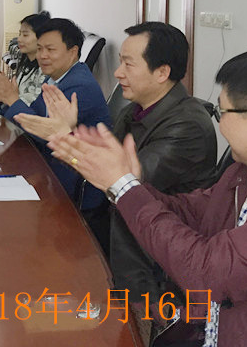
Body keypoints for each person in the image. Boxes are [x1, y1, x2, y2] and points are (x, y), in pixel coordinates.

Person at [49, 47, 247, 347]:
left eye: (223, 111)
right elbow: (191, 211)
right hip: (216, 340)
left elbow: (206, 272)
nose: (220, 123)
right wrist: (130, 183)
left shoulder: (187, 124)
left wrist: (124, 186)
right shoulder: (242, 173)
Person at [18, 22, 219, 329]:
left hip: (152, 271)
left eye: (128, 64)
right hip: (118, 240)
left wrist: (67, 137)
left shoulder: (187, 126)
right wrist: (70, 133)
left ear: (162, 72)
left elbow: (123, 183)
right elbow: (104, 164)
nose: (117, 72)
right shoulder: (136, 110)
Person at [0, 18, 111, 243]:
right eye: (39, 49)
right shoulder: (58, 78)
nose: (42, 56)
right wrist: (4, 100)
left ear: (73, 51)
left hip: (74, 187)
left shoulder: (79, 85)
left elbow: (42, 131)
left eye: (50, 49)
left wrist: (12, 99)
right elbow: (36, 118)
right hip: (51, 170)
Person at [0, 11, 50, 106]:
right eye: (20, 34)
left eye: (25, 35)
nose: (19, 39)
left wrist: (8, 96)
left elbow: (33, 107)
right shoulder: (25, 64)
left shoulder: (45, 70)